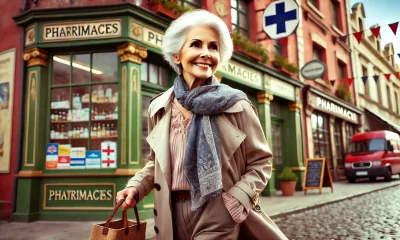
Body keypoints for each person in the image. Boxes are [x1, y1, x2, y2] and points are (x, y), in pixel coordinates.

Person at [116, 9, 287, 240]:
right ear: (177, 55)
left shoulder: (237, 104)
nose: (206, 53)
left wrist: (237, 199)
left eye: (213, 47)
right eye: (196, 44)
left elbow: (261, 162)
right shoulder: (159, 107)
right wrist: (135, 187)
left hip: (218, 209)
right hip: (169, 212)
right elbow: (155, 164)